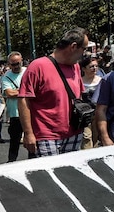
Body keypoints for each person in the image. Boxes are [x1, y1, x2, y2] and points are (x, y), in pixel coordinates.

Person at [19, 27, 90, 157]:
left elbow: (78, 96)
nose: (85, 54)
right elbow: (24, 100)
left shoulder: (76, 67)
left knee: (71, 176)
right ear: (73, 46)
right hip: (47, 137)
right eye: (84, 49)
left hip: (74, 134)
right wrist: (28, 133)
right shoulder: (37, 66)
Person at [0, 52, 26, 161]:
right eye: (13, 64)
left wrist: (17, 92)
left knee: (33, 141)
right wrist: (27, 91)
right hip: (15, 114)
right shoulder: (6, 77)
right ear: (9, 64)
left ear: (22, 61)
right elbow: (9, 94)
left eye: (17, 63)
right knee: (14, 143)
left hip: (30, 112)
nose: (16, 66)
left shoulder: (28, 71)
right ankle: (11, 163)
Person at [79, 55, 103, 149]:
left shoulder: (101, 81)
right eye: (91, 66)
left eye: (96, 66)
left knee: (96, 137)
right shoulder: (79, 81)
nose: (94, 68)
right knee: (86, 137)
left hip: (98, 113)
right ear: (84, 68)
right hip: (85, 115)